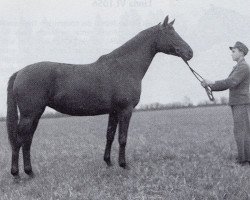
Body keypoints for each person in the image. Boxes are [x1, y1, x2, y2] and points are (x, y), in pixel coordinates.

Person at [201, 41, 250, 165]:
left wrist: (211, 83)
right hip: (238, 102)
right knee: (241, 130)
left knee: (241, 131)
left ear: (241, 52)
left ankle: (244, 160)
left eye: (233, 51)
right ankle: (244, 158)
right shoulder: (239, 67)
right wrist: (210, 85)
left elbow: (231, 82)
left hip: (241, 102)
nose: (231, 54)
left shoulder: (243, 67)